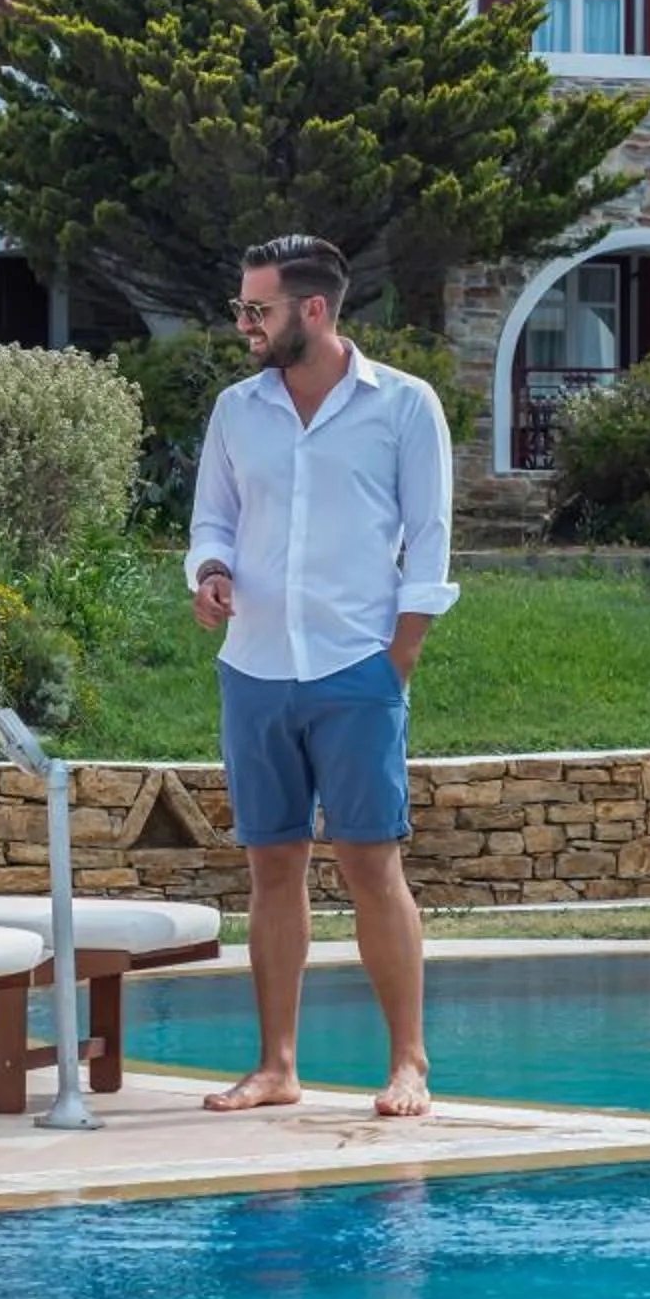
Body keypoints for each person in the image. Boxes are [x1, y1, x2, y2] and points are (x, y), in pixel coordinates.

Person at [186, 234, 457, 1118]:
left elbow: (431, 541)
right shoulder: (236, 410)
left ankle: (408, 1064)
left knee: (372, 865)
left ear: (313, 311)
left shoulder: (406, 408)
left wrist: (399, 657)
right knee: (271, 867)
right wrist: (211, 574)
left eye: (257, 309)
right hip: (255, 668)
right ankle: (276, 1067)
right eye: (241, 308)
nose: (244, 324)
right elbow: (211, 520)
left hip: (356, 669)